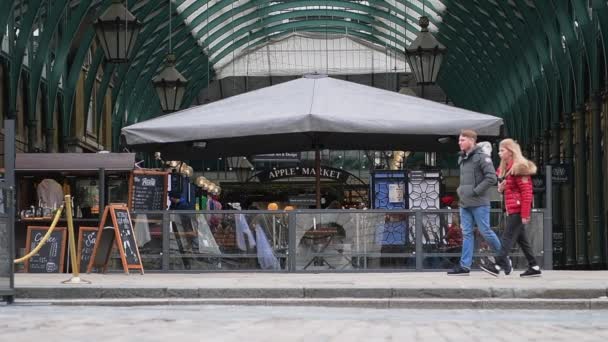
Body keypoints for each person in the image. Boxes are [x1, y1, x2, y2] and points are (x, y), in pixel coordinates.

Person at [480, 139, 541, 277]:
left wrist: (525, 214)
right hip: (513, 208)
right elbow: (513, 190)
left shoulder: (520, 168)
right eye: (499, 150)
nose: (499, 153)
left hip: (518, 210)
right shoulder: (508, 169)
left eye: (502, 150)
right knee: (522, 239)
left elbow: (527, 192)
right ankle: (534, 266)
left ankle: (496, 266)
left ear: (510, 151)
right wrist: (501, 188)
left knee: (507, 237)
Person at [448, 129, 502, 276]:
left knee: (485, 231)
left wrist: (476, 191)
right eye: (459, 140)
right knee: (466, 234)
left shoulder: (482, 157)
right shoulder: (462, 158)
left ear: (472, 141)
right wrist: (460, 190)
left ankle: (503, 257)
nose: (459, 143)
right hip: (465, 203)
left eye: (462, 140)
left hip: (479, 202)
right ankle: (465, 266)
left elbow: (491, 178)